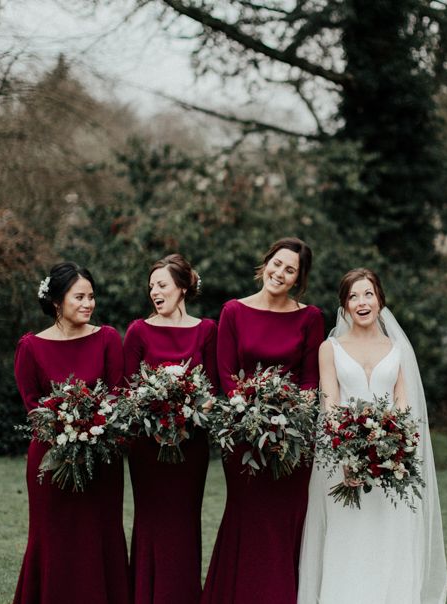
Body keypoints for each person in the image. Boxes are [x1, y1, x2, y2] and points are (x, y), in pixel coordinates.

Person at [298, 268, 447, 604]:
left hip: (388, 462)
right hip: (342, 459)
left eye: (368, 294)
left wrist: (395, 451)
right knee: (347, 537)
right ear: (345, 306)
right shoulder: (330, 348)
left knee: (387, 537)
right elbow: (330, 403)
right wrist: (348, 457)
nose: (361, 302)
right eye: (353, 296)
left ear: (379, 299)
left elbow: (403, 405)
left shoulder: (397, 348)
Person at [202, 237, 325, 604]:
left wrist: (288, 415)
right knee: (248, 518)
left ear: (297, 280)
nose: (280, 273)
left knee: (284, 522)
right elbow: (225, 373)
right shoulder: (233, 311)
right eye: (277, 264)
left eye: (291, 270)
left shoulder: (311, 317)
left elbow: (310, 379)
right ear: (266, 262)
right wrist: (249, 410)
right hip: (244, 435)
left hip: (293, 439)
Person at [13, 262, 130, 604]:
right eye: (79, 296)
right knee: (54, 538)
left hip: (102, 459)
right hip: (52, 459)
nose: (88, 303)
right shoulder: (30, 347)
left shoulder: (107, 338)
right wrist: (64, 427)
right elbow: (33, 406)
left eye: (91, 296)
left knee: (100, 535)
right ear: (56, 302)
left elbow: (117, 394)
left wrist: (93, 427)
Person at [123, 253, 219, 604]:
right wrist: (155, 415)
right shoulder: (137, 331)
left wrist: (188, 414)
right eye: (151, 287)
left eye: (162, 285)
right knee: (150, 521)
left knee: (184, 521)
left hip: (190, 447)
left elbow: (213, 389)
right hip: (147, 449)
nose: (155, 292)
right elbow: (126, 390)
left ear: (182, 287)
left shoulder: (207, 330)